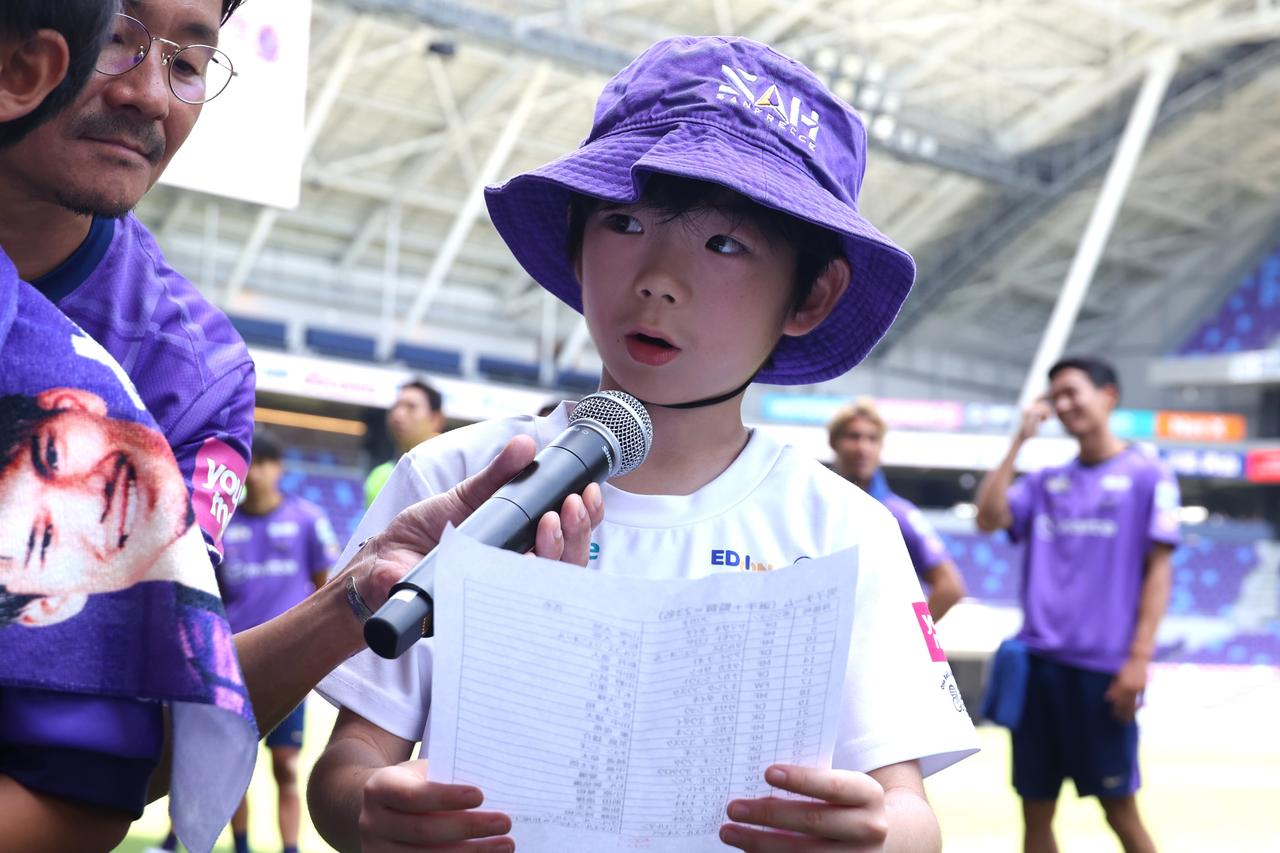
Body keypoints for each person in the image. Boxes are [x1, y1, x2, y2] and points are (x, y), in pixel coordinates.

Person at [308, 35, 978, 853]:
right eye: (624, 221)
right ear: (576, 239)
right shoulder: (454, 478)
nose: (659, 276)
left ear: (812, 292)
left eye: (725, 243)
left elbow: (909, 812)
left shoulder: (845, 530)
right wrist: (374, 810)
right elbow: (350, 763)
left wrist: (875, 836)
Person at [0, 0, 255, 570]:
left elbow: (161, 647)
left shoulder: (197, 377)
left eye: (188, 64)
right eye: (114, 36)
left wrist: (347, 606)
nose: (150, 96)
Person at [975, 356, 1180, 853]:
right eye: (1055, 397)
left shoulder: (1149, 475)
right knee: (1036, 812)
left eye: (1073, 392)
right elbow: (988, 517)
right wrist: (1019, 441)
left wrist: (1138, 661)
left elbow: (1160, 569)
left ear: (1108, 396)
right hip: (1038, 668)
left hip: (1104, 673)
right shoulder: (1045, 481)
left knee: (1120, 811)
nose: (1063, 406)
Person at [153, 432, 341, 853]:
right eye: (249, 464)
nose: (255, 473)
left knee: (287, 764)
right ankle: (241, 847)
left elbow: (321, 588)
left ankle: (289, 848)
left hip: (290, 663)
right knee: (231, 764)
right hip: (230, 663)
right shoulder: (222, 525)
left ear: (279, 469)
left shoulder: (306, 520)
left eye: (265, 463)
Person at [828, 398, 967, 622]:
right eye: (853, 437)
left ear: (881, 447)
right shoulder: (815, 505)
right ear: (834, 442)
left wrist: (907, 637)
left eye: (872, 439)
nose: (862, 448)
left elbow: (950, 587)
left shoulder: (898, 514)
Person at [365, 379, 445, 507]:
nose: (398, 414)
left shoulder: (448, 475)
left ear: (436, 419)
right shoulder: (378, 476)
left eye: (411, 407)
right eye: (396, 406)